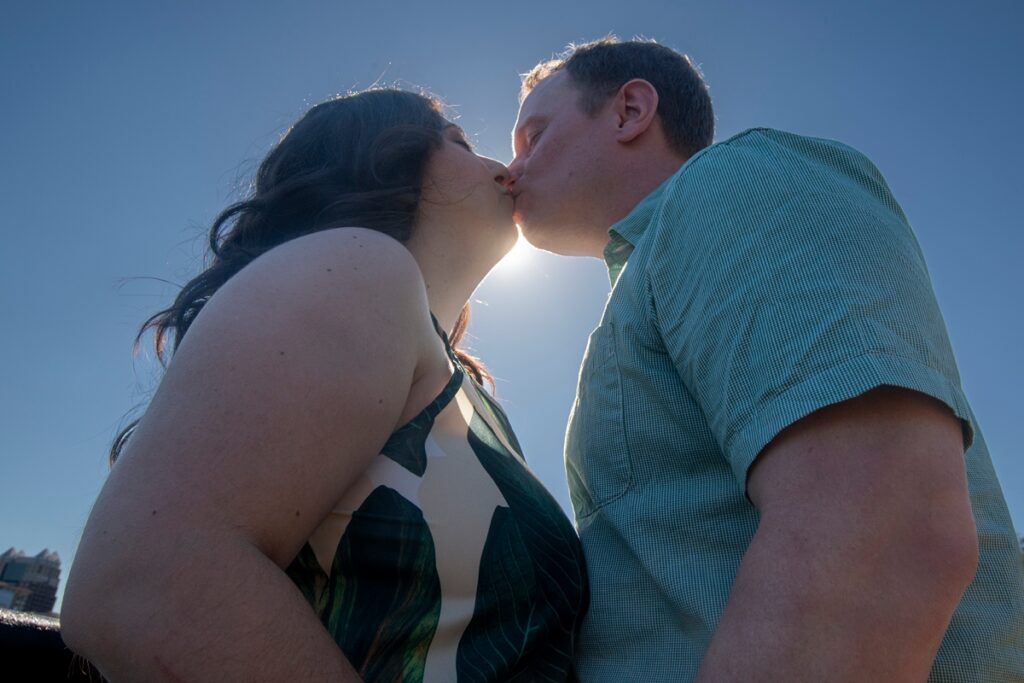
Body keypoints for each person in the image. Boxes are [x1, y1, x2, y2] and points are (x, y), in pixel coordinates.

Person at [508, 37, 1024, 682]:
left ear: (629, 111)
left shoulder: (731, 184)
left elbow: (885, 533)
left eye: (534, 134)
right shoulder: (656, 270)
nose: (510, 169)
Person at [61, 89, 588, 682]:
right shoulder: (360, 266)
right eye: (460, 143)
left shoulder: (459, 382)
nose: (507, 167)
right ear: (387, 156)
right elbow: (144, 587)